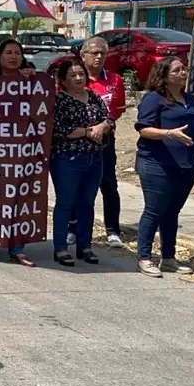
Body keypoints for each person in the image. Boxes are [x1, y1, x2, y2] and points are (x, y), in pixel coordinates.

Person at [133, 57, 194, 277]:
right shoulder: (154, 99)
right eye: (178, 70)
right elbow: (144, 129)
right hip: (157, 163)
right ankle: (144, 258)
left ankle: (169, 258)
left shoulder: (189, 99)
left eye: (184, 69)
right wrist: (168, 133)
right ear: (165, 75)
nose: (184, 73)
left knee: (172, 212)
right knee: (155, 210)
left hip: (185, 165)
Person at [0, 38, 36, 266]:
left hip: (23, 150)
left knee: (19, 199)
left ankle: (17, 248)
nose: (13, 56)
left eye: (17, 53)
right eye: (8, 52)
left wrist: (33, 80)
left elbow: (41, 109)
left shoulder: (30, 81)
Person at [50, 59, 111, 267]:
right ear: (63, 80)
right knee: (65, 203)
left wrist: (102, 127)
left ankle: (85, 246)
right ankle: (60, 248)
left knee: (87, 203)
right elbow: (58, 130)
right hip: (67, 159)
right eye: (73, 75)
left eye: (81, 74)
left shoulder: (94, 96)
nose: (78, 78)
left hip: (95, 158)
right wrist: (87, 131)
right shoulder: (59, 101)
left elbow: (108, 119)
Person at [67, 37, 125, 249]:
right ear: (83, 56)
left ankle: (112, 230)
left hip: (104, 141)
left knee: (109, 185)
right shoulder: (73, 78)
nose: (99, 57)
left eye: (102, 53)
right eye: (94, 53)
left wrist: (104, 127)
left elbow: (117, 110)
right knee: (77, 186)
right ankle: (73, 228)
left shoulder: (116, 80)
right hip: (78, 141)